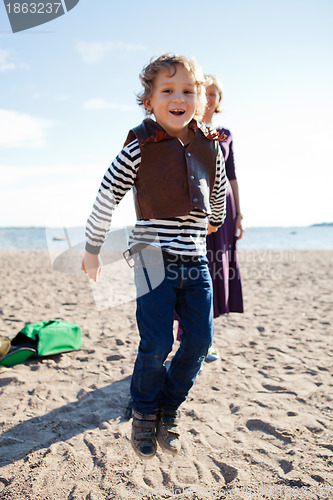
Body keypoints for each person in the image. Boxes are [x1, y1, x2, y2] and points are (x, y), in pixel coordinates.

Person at [82, 54, 226, 460]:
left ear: (199, 99)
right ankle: (145, 412)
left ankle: (169, 407)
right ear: (149, 101)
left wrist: (214, 217)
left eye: (187, 90)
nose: (178, 97)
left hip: (195, 261)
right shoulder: (139, 147)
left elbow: (218, 193)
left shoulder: (211, 146)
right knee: (157, 342)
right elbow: (106, 195)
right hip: (152, 261)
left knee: (199, 342)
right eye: (167, 90)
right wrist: (92, 249)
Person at [204, 75, 244, 319]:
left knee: (218, 267)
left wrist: (239, 214)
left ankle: (206, 337)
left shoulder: (225, 133)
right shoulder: (189, 128)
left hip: (225, 208)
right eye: (204, 93)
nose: (208, 98)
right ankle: (187, 332)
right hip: (198, 205)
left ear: (219, 99)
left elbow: (233, 176)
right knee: (197, 268)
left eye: (213, 94)